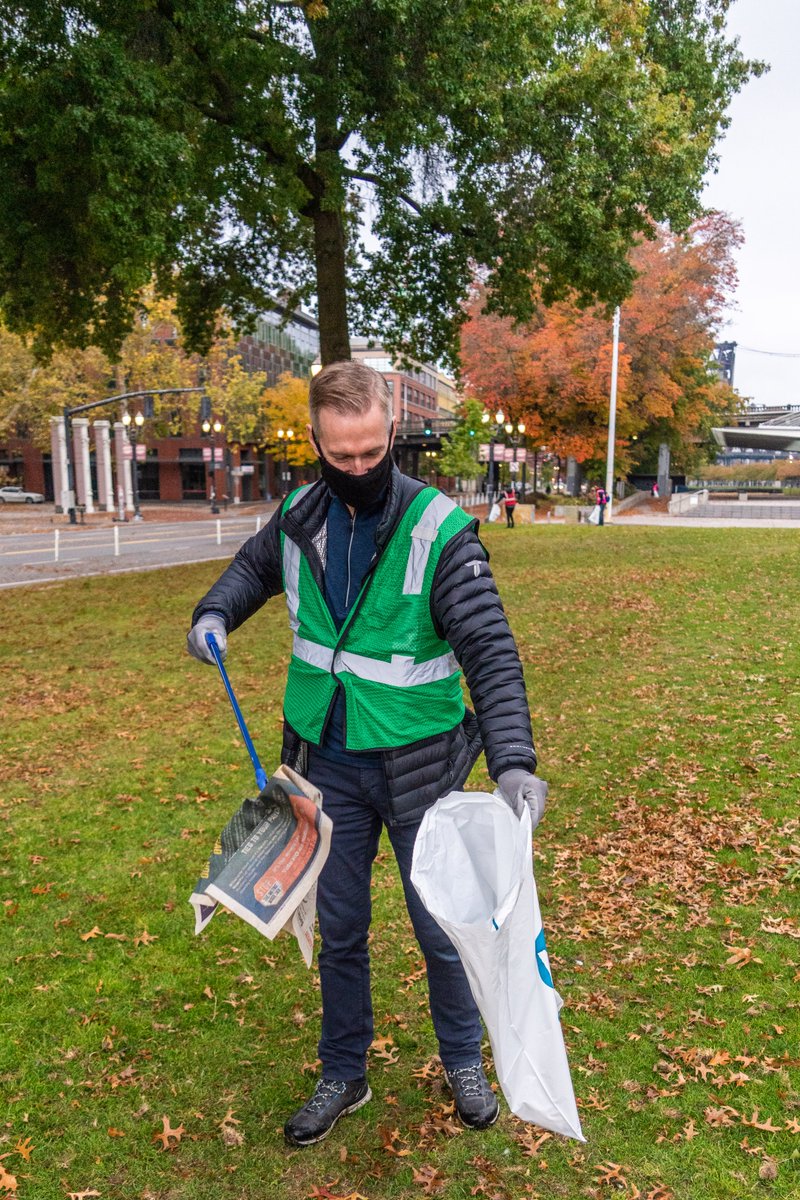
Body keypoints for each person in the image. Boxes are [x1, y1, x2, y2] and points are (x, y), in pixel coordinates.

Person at [186, 361, 546, 1147]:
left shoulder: (438, 528)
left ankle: (463, 1060)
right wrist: (215, 612)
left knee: (444, 926)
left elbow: (489, 644)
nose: (355, 469)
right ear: (315, 438)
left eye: (370, 452)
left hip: (422, 766)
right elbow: (252, 571)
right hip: (329, 761)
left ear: (392, 433)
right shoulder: (298, 513)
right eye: (339, 454)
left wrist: (512, 758)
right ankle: (344, 1071)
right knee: (341, 926)